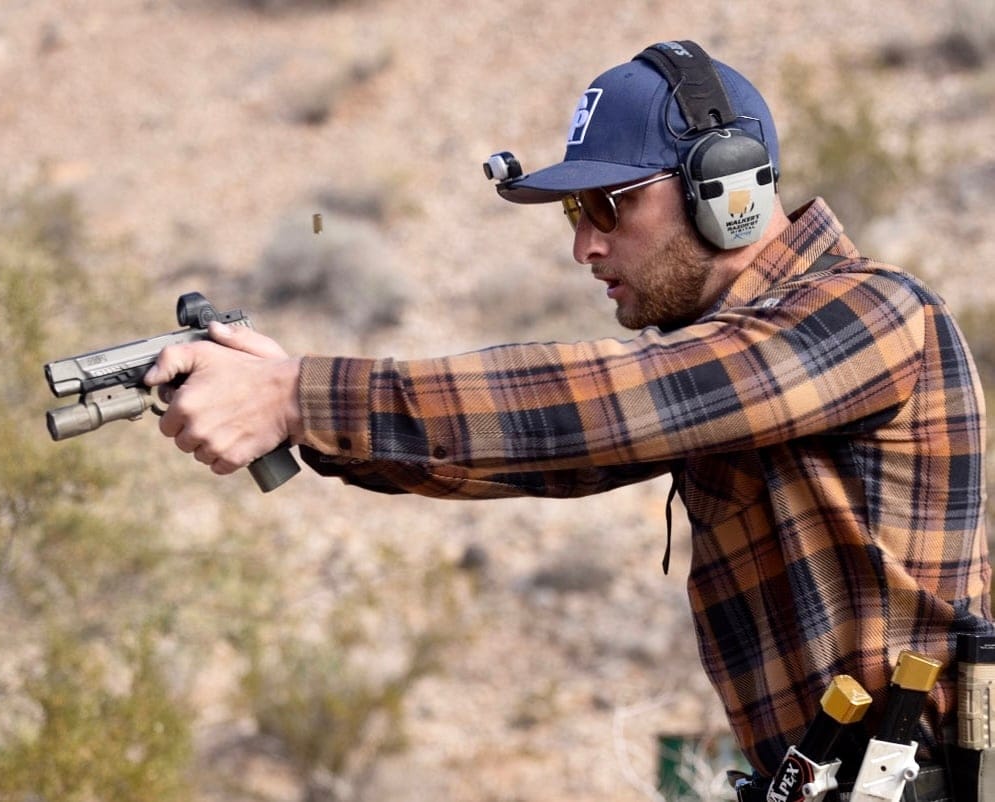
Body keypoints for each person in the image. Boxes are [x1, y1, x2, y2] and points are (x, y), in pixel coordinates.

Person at [144, 40, 992, 800]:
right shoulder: (734, 362)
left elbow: (611, 403)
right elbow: (538, 452)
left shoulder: (871, 313)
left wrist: (300, 393)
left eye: (607, 206)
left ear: (724, 187)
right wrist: (289, 411)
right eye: (570, 212)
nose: (583, 246)